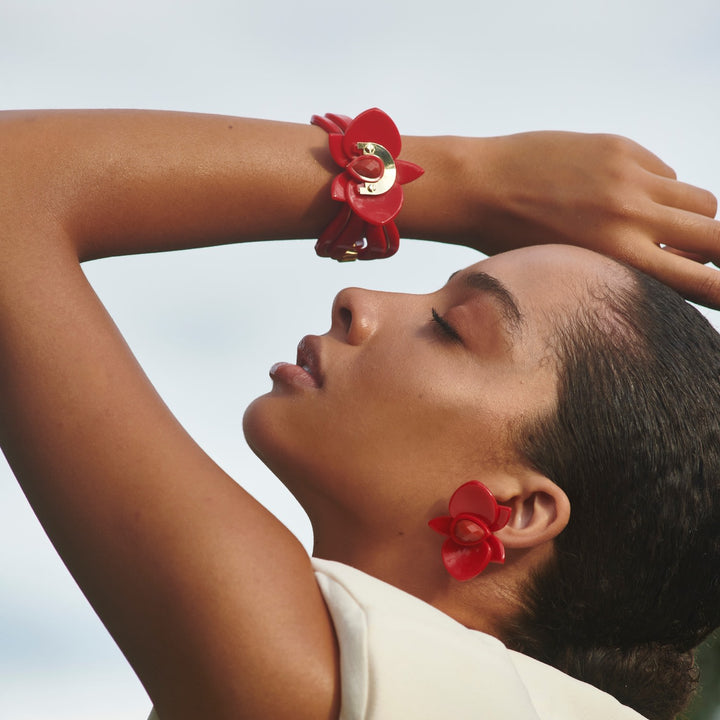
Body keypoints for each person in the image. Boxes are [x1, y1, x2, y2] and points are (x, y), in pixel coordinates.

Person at [1, 108, 720, 720]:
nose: (357, 300)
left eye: (449, 327)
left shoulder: (339, 683)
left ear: (520, 511)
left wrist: (467, 181)